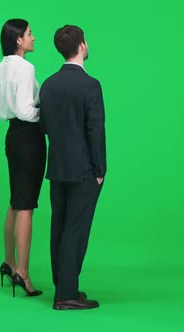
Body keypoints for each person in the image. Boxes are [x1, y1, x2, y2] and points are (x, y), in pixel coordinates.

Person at [39, 25, 107, 310]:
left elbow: (43, 125)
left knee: (60, 225)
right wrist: (100, 168)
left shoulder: (49, 84)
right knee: (75, 229)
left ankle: (65, 285)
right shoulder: (90, 85)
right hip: (83, 169)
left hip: (56, 166)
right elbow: (95, 130)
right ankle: (66, 295)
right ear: (81, 46)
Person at [0, 18, 45, 297]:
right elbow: (27, 110)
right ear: (18, 40)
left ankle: (9, 262)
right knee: (26, 205)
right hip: (28, 137)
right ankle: (22, 273)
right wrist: (45, 117)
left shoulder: (2, 67)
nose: (33, 38)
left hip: (12, 136)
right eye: (29, 33)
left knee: (15, 201)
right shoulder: (25, 67)